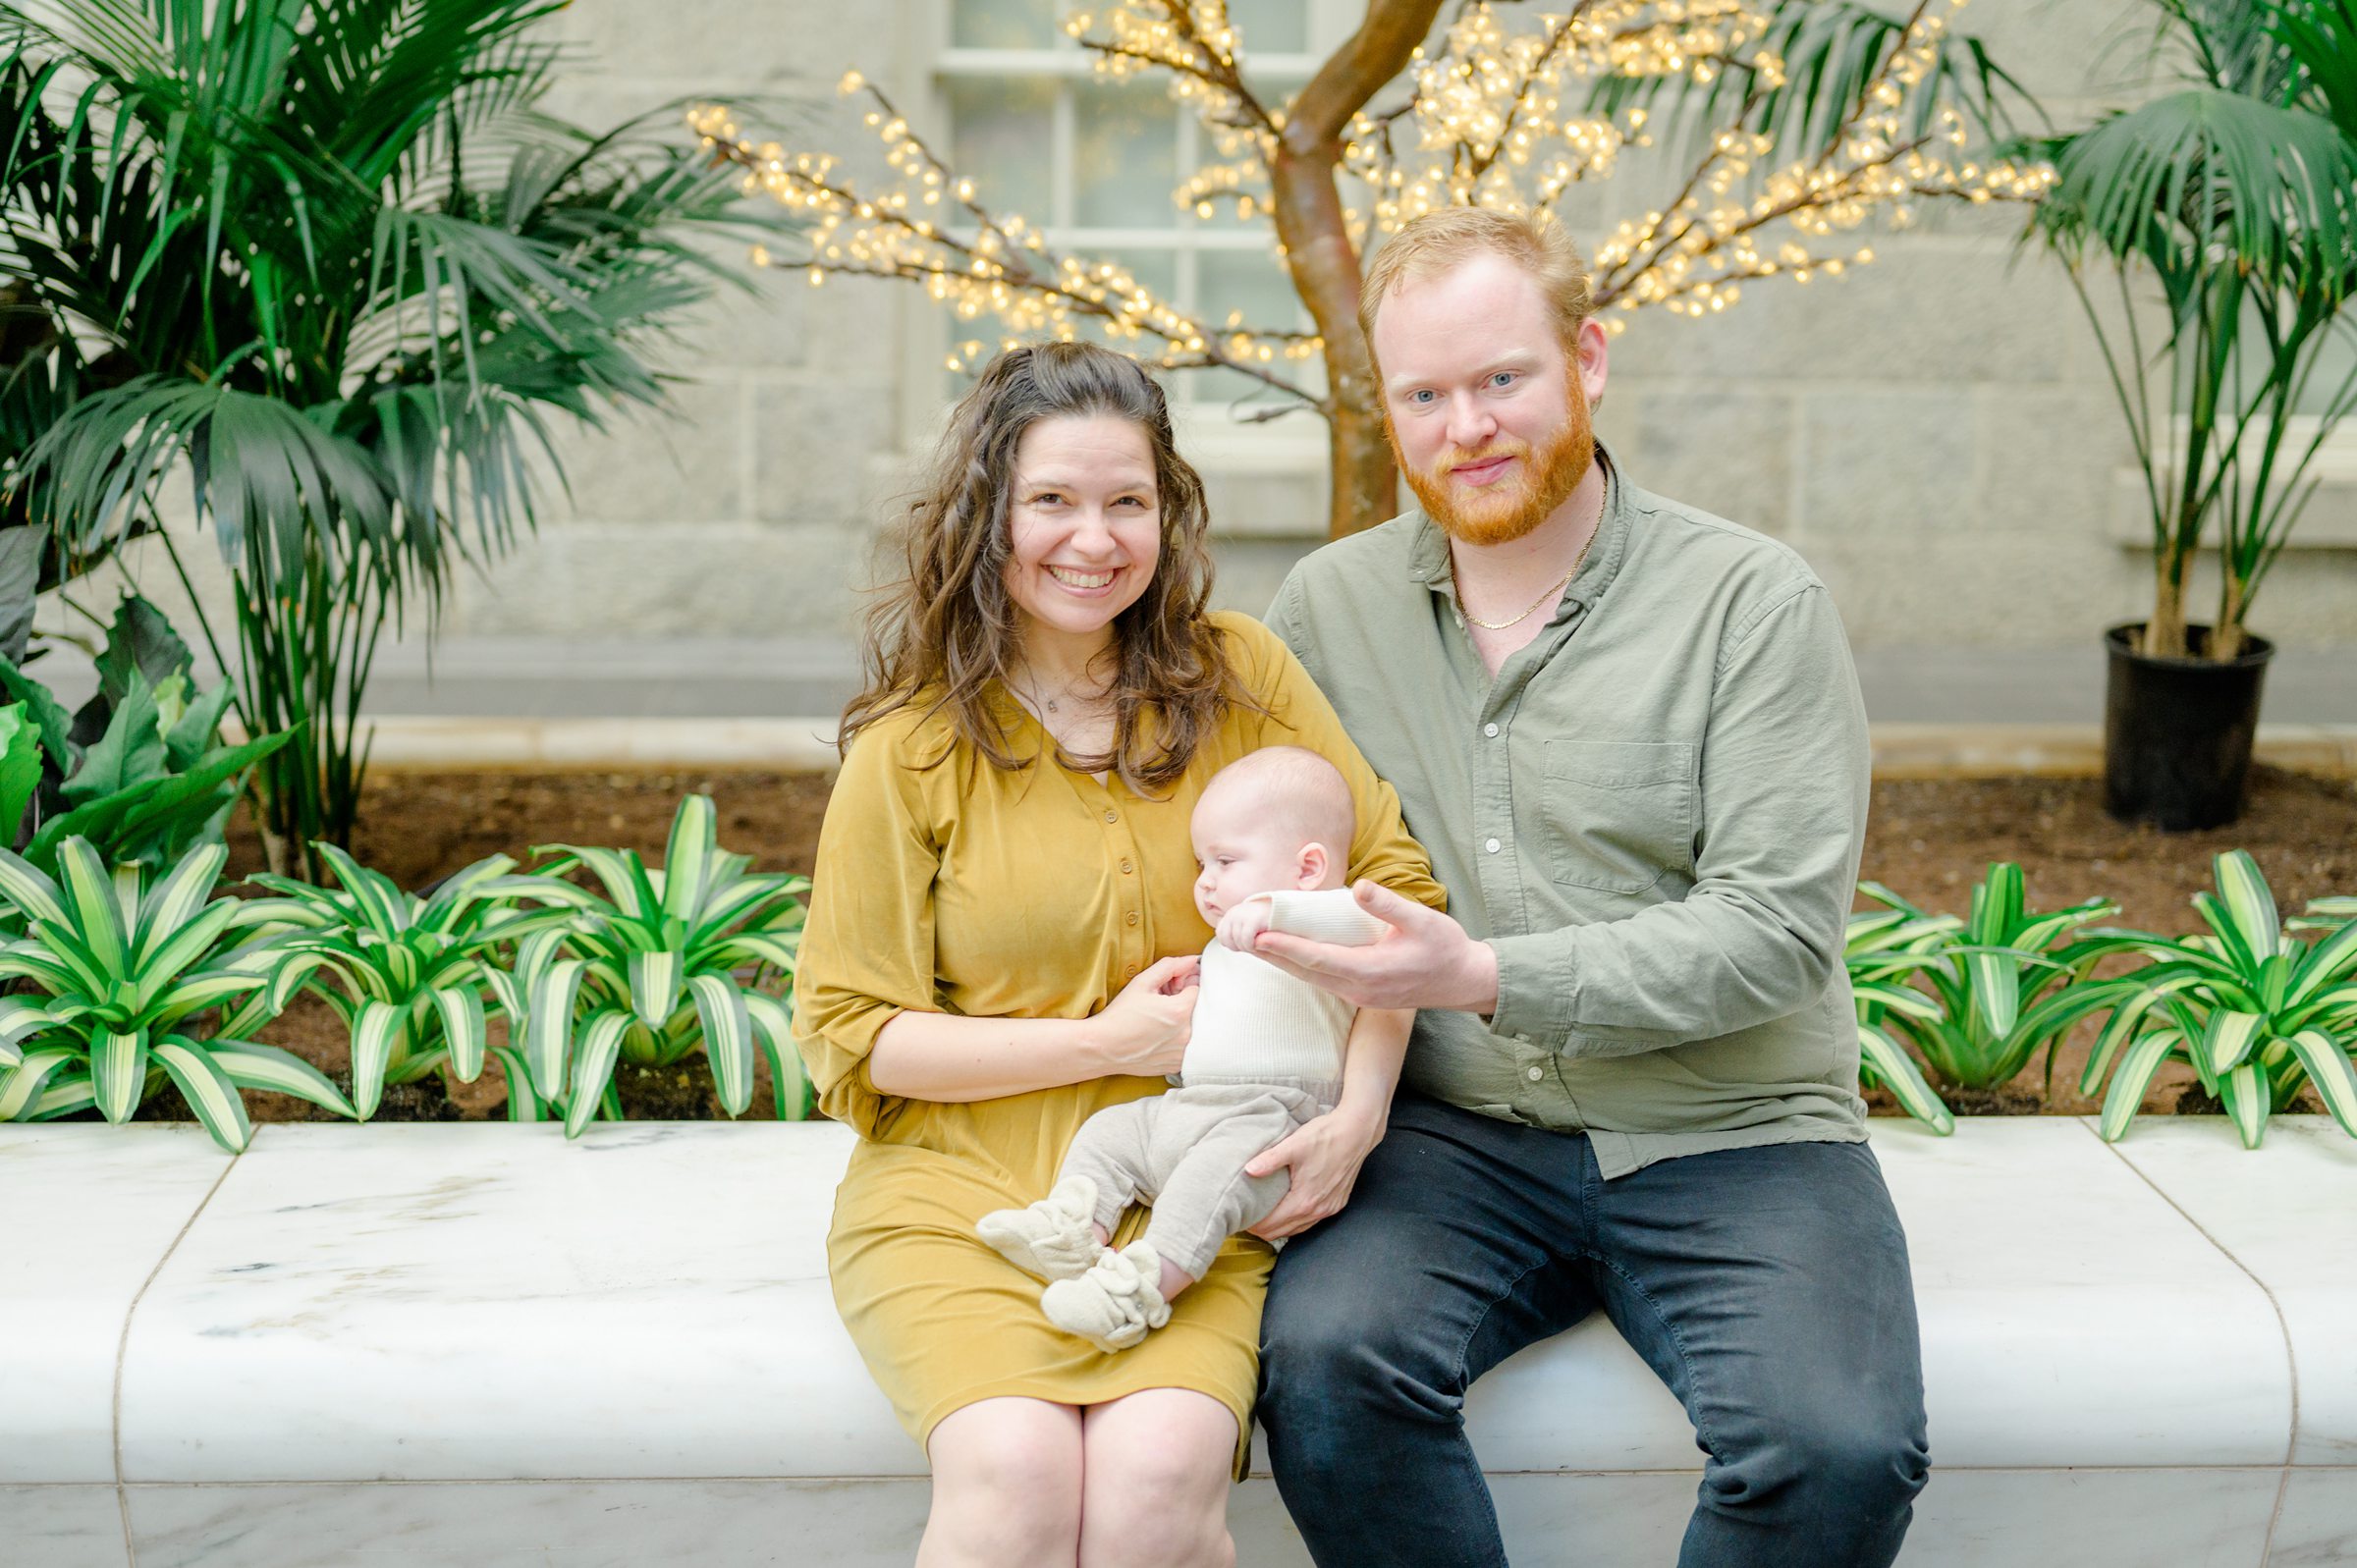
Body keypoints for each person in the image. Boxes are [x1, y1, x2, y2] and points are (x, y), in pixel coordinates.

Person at [1245, 207, 1931, 1567]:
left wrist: (1483, 976)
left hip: (1733, 1124)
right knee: (1322, 1368)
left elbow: (1775, 935)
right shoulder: (1327, 612)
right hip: (1451, 1135)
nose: (1466, 428)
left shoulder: (1752, 602)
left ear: (1588, 359)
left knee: (1837, 1449)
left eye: (1502, 378)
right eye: (1423, 395)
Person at [790, 341, 1445, 1568]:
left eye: (1126, 501)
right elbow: (857, 1036)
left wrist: (1355, 1114)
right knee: (1014, 1483)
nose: (1093, 539)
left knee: (1156, 1486)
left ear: (1168, 512)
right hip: (965, 1193)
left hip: (1198, 1192)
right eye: (1051, 500)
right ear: (988, 514)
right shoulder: (911, 749)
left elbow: (1388, 898)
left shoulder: (1239, 675)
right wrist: (1110, 1042)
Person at [976, 744, 1394, 1353]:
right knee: (1111, 1132)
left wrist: (1272, 909)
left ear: (1308, 869)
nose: (1205, 882)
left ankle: (1138, 1291)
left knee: (1205, 1187)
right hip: (1191, 1106)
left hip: (1275, 1120)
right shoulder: (1230, 943)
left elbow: (1383, 932)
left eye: (1226, 861)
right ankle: (1072, 1228)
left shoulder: (1332, 919)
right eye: (1202, 863)